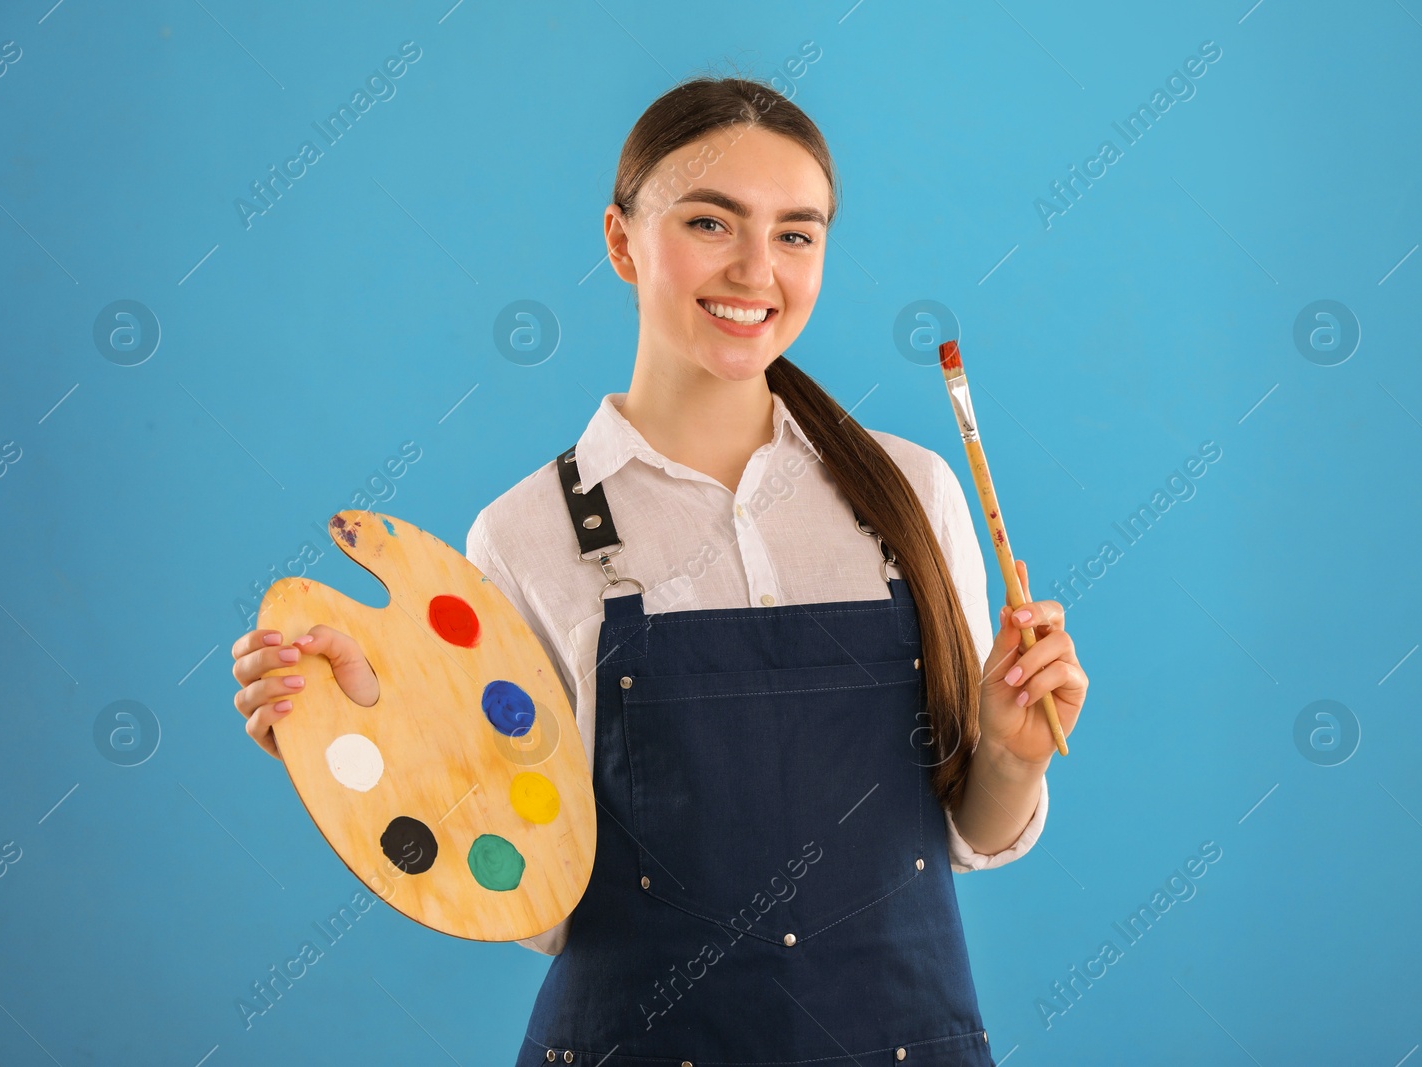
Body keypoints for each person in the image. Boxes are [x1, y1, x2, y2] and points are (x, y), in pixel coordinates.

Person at [231, 75, 1086, 1065]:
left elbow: (968, 834)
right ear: (619, 239)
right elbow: (532, 889)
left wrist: (1012, 748)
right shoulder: (524, 533)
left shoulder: (914, 491)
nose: (756, 268)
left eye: (797, 233)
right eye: (711, 222)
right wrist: (376, 735)